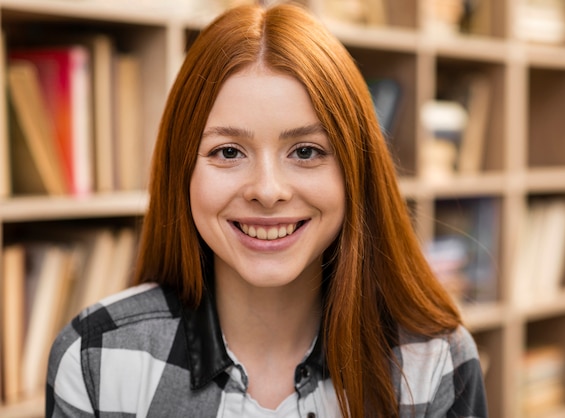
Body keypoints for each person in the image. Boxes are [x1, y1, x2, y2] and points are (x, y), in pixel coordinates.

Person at [46, 3, 488, 417]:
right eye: (228, 151)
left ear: (357, 171)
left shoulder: (435, 362)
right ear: (181, 170)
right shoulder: (97, 356)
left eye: (307, 151)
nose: (268, 190)